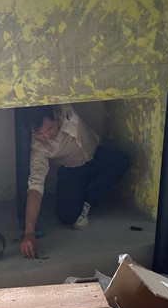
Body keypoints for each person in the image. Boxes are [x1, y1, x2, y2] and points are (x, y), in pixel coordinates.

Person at [19, 104, 130, 258]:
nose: (47, 136)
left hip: (96, 156)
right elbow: (35, 187)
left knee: (122, 161)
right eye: (40, 133)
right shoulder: (38, 147)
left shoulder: (65, 109)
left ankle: (89, 199)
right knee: (66, 216)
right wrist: (29, 233)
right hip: (72, 170)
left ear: (55, 115)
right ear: (33, 131)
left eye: (50, 129)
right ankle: (82, 192)